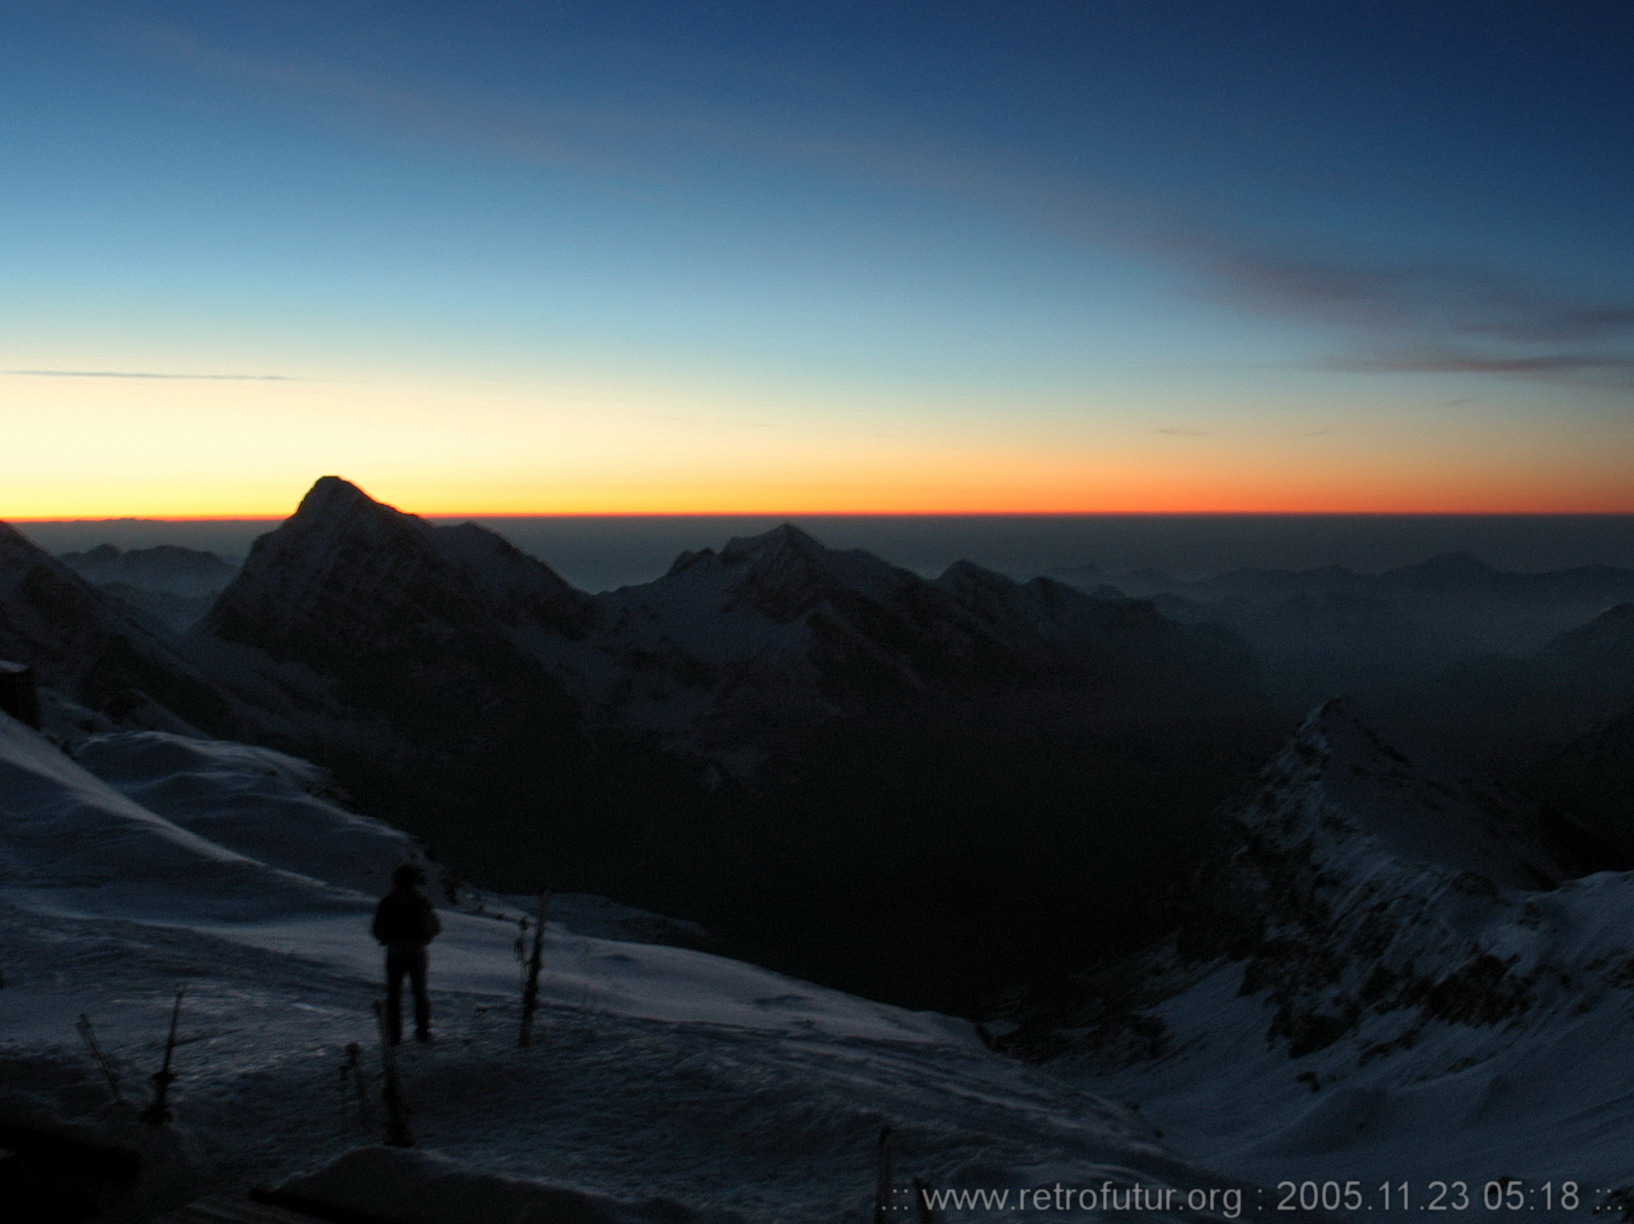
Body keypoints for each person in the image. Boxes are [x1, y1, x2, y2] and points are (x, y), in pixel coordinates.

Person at [372, 864, 442, 1044]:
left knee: (394, 995)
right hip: (417, 951)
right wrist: (424, 938)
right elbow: (435, 926)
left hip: (395, 952)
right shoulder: (421, 901)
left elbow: (377, 928)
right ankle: (422, 1032)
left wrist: (387, 938)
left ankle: (394, 1036)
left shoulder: (388, 902)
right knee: (419, 993)